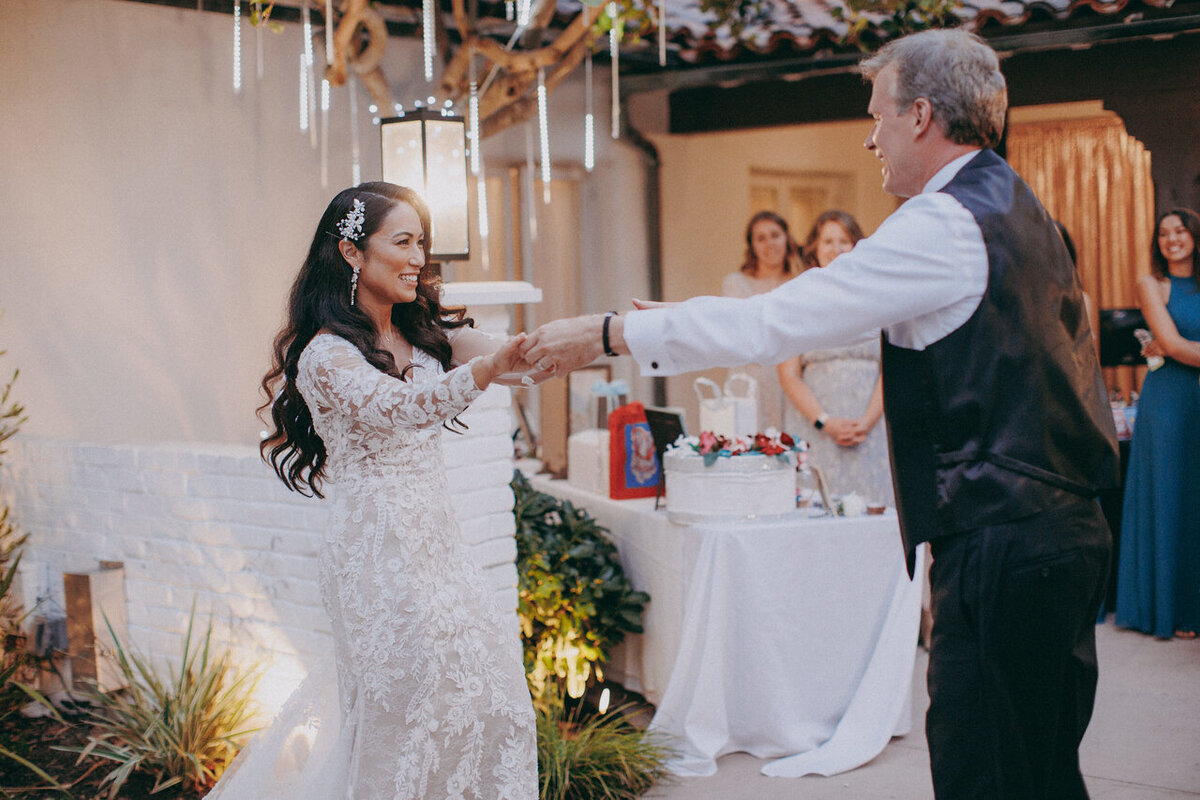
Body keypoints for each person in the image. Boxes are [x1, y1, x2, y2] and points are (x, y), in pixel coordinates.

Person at [522, 28, 1118, 799]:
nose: (871, 138)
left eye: (877, 115)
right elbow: (799, 307)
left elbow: (780, 320)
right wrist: (676, 318)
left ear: (921, 116)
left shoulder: (942, 225)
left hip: (1006, 534)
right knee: (1041, 770)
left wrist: (609, 334)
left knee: (990, 772)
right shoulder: (1010, 201)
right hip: (1059, 527)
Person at [207, 182, 539, 799]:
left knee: (497, 700)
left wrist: (578, 341)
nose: (418, 258)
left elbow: (517, 361)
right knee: (403, 725)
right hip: (376, 558)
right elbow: (402, 408)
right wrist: (486, 371)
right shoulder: (325, 355)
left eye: (422, 243)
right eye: (403, 242)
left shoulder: (426, 335)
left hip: (441, 551)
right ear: (352, 251)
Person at [1116, 207, 1200, 640]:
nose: (1172, 239)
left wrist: (1185, 347)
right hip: (1169, 402)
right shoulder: (1152, 285)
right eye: (1164, 233)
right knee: (1172, 498)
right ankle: (1173, 610)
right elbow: (1171, 344)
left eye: (1181, 230)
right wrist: (1177, 347)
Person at [777, 210, 893, 505]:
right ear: (814, 248)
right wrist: (824, 421)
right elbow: (789, 374)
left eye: (845, 240)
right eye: (828, 241)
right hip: (815, 429)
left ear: (857, 246)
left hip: (871, 430)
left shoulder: (879, 298)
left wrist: (866, 422)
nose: (836, 248)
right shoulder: (798, 298)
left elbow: (891, 368)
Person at [721, 210, 803, 430]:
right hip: (750, 378)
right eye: (761, 238)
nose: (770, 244)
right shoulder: (736, 284)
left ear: (787, 238)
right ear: (752, 246)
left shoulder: (800, 282)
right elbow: (740, 334)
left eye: (775, 235)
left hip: (793, 381)